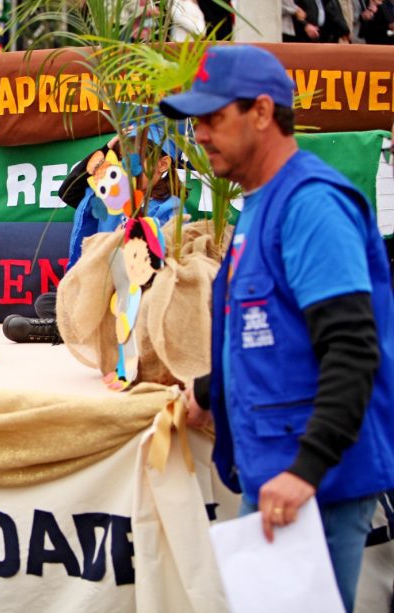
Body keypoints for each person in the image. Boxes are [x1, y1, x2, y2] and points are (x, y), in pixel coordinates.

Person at [158, 45, 393, 613]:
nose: (202, 134)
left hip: (312, 485)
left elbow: (351, 348)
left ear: (262, 112)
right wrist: (211, 390)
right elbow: (271, 337)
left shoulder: (310, 206)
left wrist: (307, 470)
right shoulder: (262, 205)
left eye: (214, 118)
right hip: (279, 475)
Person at [3, 129, 182, 344]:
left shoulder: (169, 207)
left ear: (162, 164)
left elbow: (157, 261)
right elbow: (68, 191)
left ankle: (58, 329)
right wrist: (106, 149)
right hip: (98, 288)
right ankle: (80, 328)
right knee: (49, 301)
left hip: (135, 291)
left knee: (139, 306)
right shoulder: (114, 195)